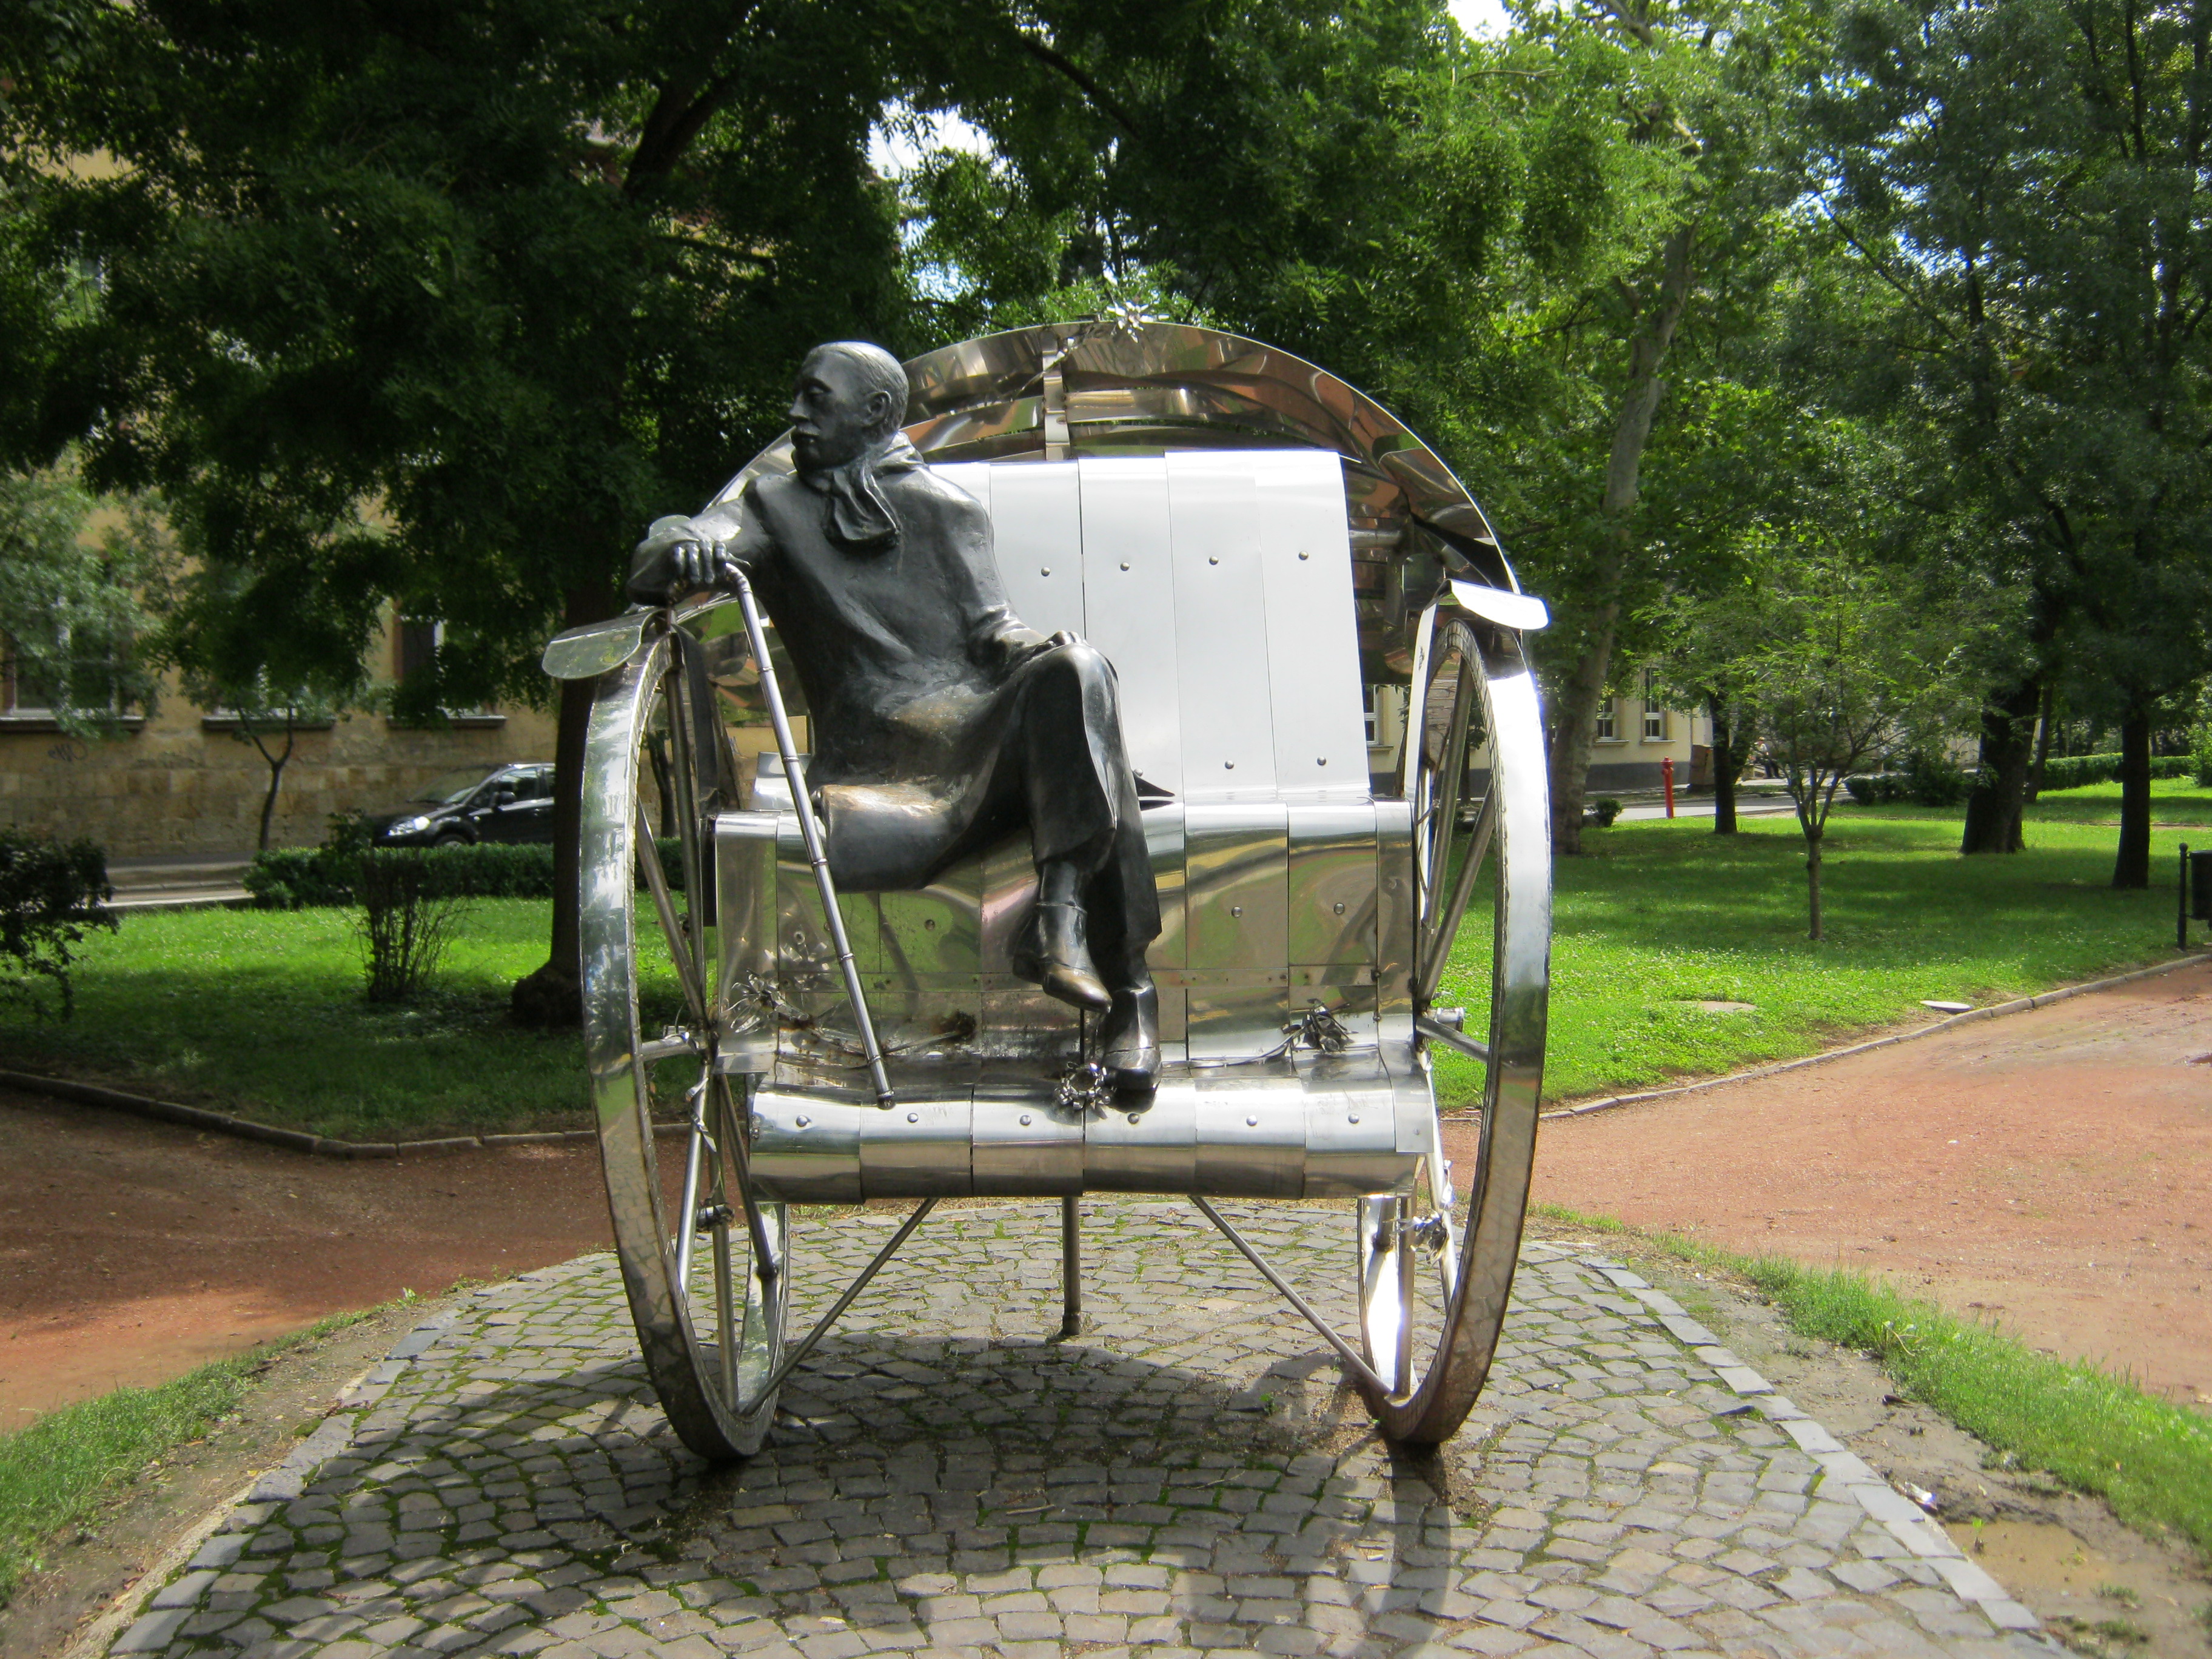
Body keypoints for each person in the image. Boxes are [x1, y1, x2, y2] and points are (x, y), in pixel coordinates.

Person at [628, 341, 1161, 1090]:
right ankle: (1116, 977)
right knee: (1099, 739)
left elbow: (992, 632)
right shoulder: (773, 507)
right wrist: (681, 542)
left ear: (876, 410)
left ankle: (1068, 927)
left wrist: (1040, 650)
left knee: (1081, 669)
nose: (796, 413)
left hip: (967, 721)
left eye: (817, 397)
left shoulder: (948, 509)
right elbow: (667, 555)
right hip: (879, 751)